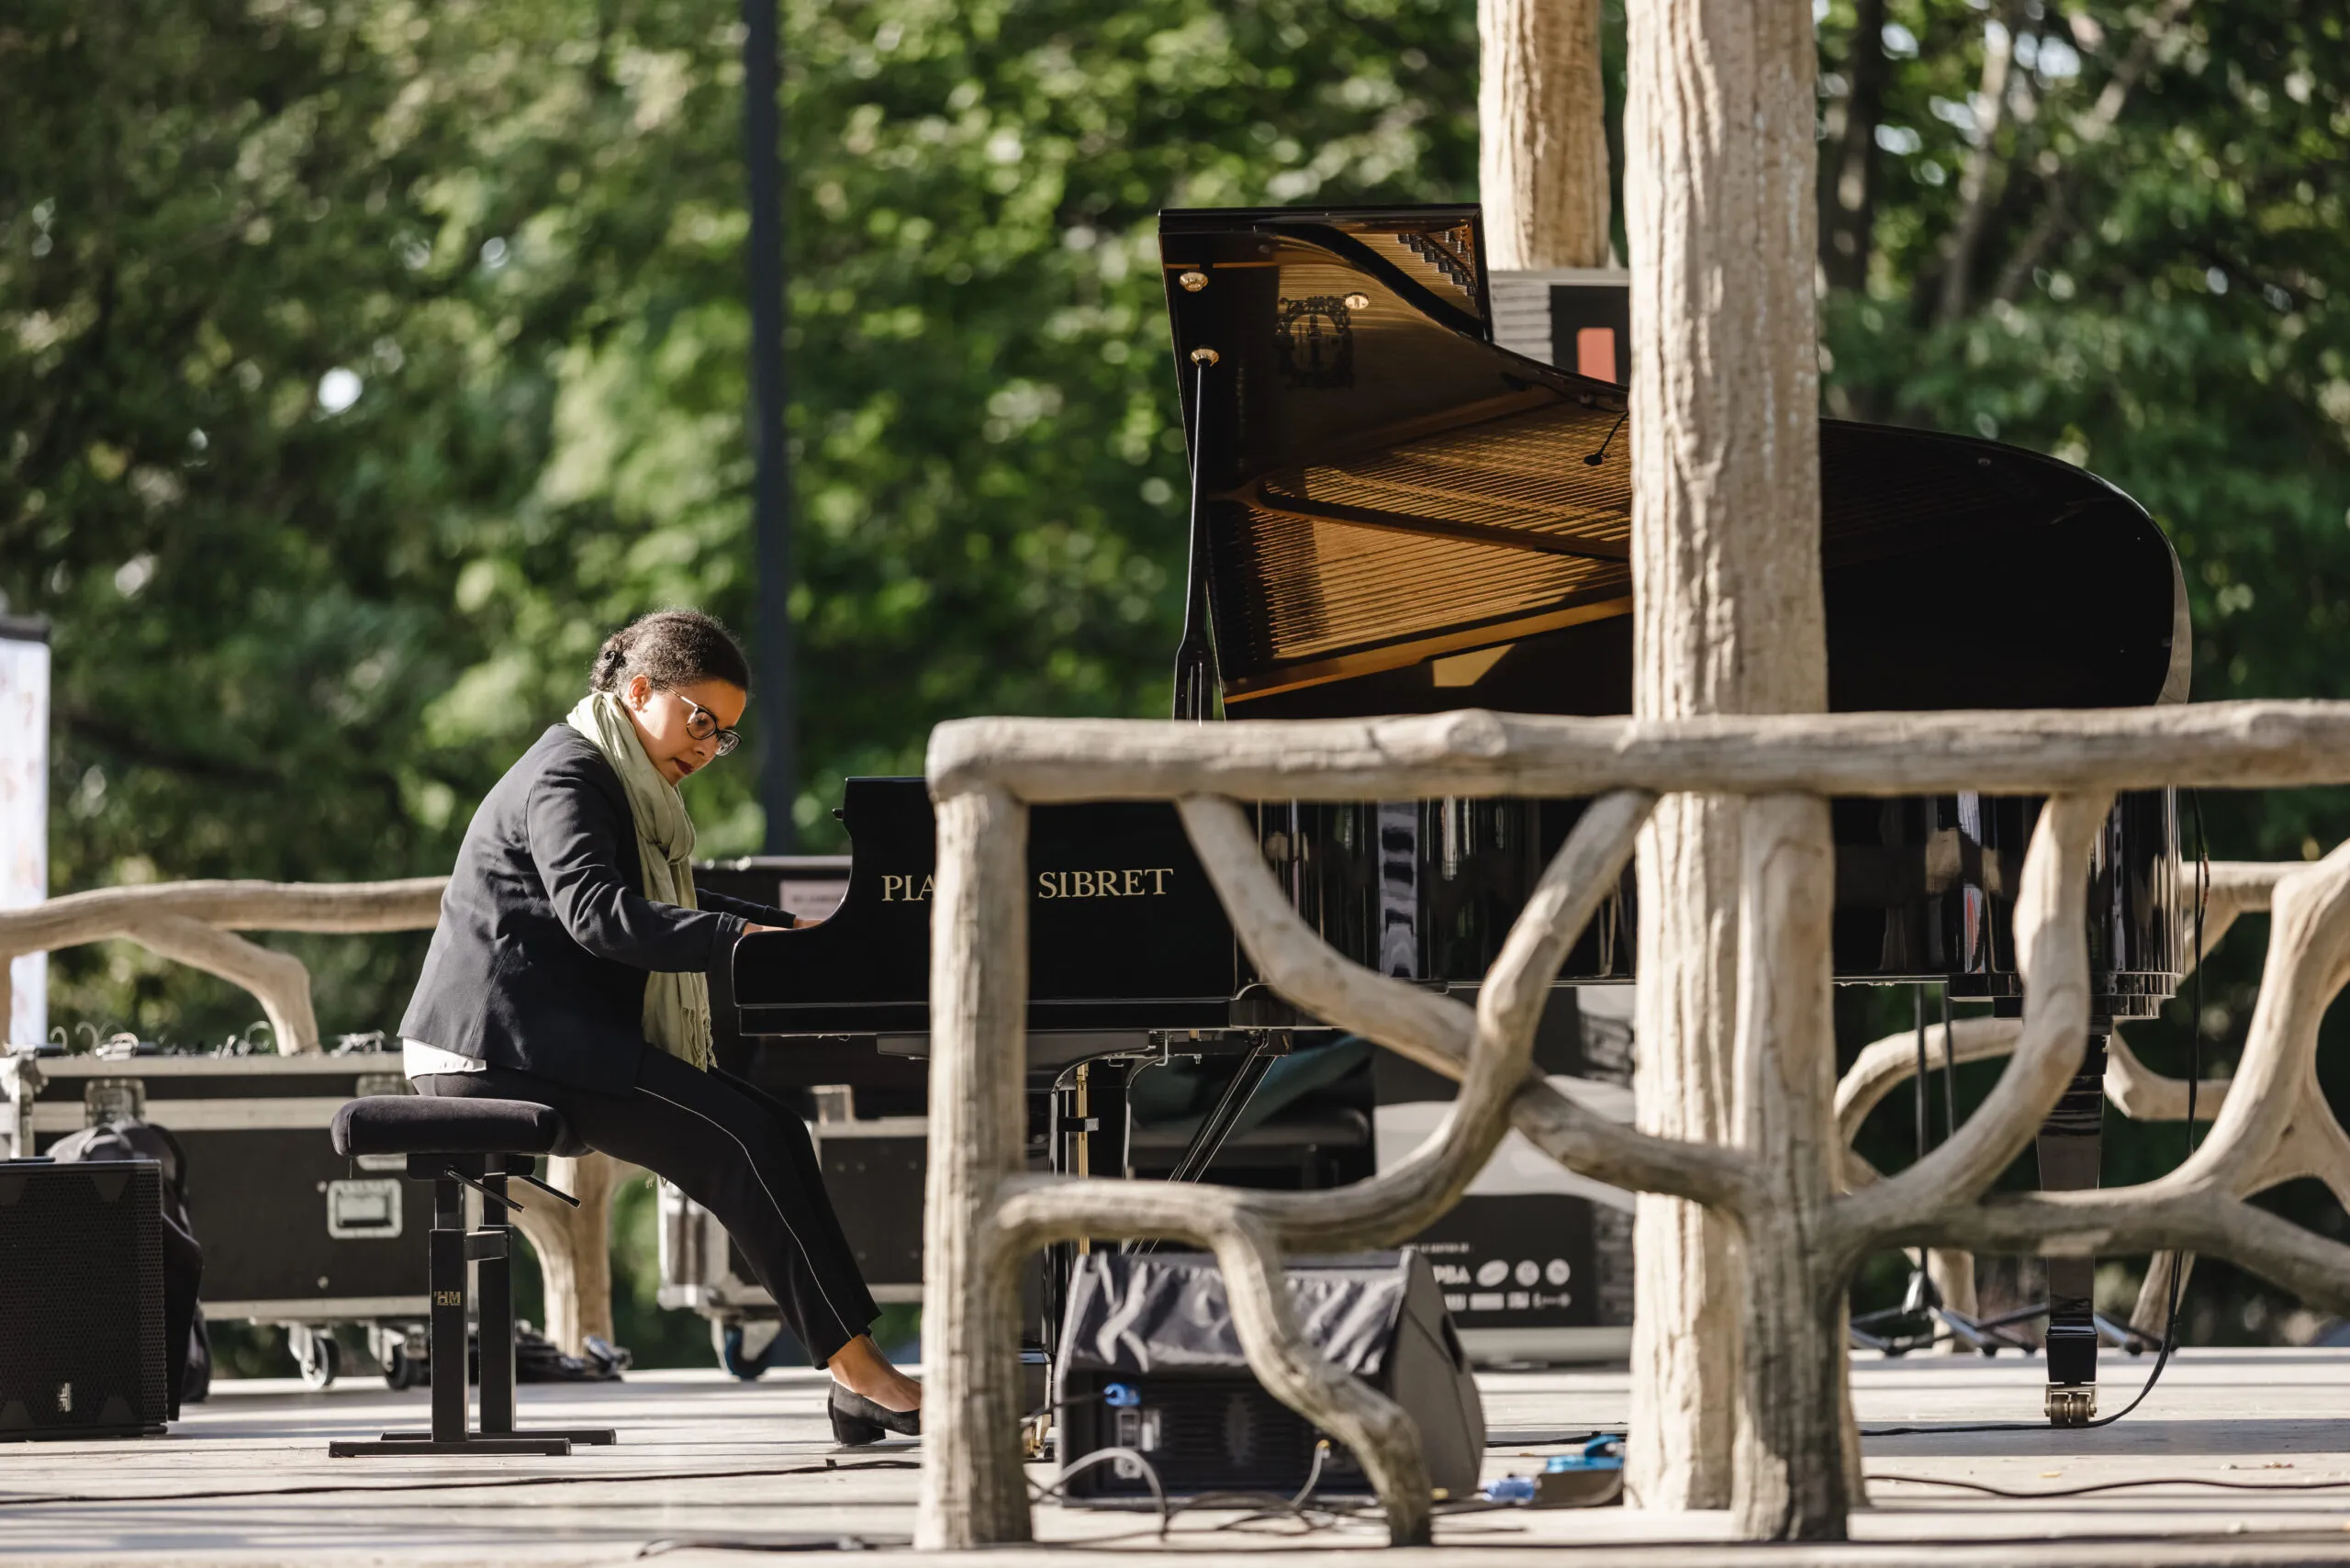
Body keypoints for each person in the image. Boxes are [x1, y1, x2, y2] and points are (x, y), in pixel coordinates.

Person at [398, 609, 919, 1443]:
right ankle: (858, 1372)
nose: (709, 749)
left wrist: (780, 929)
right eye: (701, 722)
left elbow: (666, 900)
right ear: (640, 691)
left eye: (726, 736)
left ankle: (857, 1364)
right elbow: (599, 917)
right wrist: (741, 939)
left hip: (548, 1038)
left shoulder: (616, 777)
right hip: (490, 1049)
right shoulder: (568, 777)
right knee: (741, 1140)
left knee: (775, 1126)